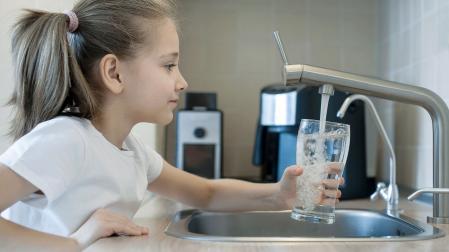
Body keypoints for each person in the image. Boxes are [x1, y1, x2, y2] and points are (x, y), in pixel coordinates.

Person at [0, 0, 343, 251]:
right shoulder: (65, 140)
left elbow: (205, 192)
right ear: (114, 73)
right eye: (169, 66)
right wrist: (74, 242)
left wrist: (278, 195)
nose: (182, 82)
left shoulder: (131, 152)